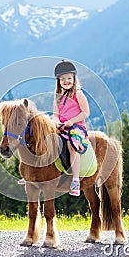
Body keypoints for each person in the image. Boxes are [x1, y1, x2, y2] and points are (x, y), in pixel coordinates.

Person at [52, 60, 90, 196]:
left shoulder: (78, 94)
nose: (66, 81)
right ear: (58, 80)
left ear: (74, 78)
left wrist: (70, 121)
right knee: (44, 139)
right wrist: (57, 122)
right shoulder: (57, 96)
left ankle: (75, 180)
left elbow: (85, 112)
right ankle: (35, 173)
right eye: (63, 79)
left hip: (77, 127)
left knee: (71, 145)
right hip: (62, 127)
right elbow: (55, 115)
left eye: (69, 78)